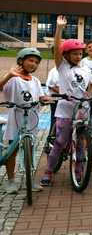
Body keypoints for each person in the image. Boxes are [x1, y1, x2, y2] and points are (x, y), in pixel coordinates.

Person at [41, 15, 92, 186]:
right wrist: (59, 29)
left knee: (80, 143)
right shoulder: (62, 67)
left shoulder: (86, 69)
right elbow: (57, 49)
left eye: (80, 53)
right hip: (65, 109)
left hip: (82, 109)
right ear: (66, 54)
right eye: (74, 54)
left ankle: (78, 169)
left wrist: (89, 94)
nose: (78, 56)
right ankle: (49, 170)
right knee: (60, 142)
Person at [0, 48, 45, 194]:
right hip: (16, 117)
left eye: (36, 62)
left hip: (31, 117)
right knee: (12, 150)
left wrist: (45, 99)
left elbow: (40, 96)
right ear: (21, 61)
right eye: (30, 60)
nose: (33, 64)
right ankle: (11, 180)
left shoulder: (36, 81)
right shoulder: (13, 79)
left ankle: (29, 179)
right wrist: (8, 75)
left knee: (30, 148)